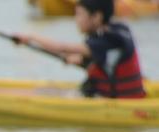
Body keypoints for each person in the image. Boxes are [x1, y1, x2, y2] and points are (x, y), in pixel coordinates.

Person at [14, 0, 146, 99]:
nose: (76, 20)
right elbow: (107, 61)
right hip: (117, 95)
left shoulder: (105, 40)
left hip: (111, 99)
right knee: (48, 89)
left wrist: (31, 37)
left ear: (97, 17)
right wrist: (82, 60)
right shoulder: (118, 29)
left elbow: (63, 48)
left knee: (45, 92)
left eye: (79, 14)